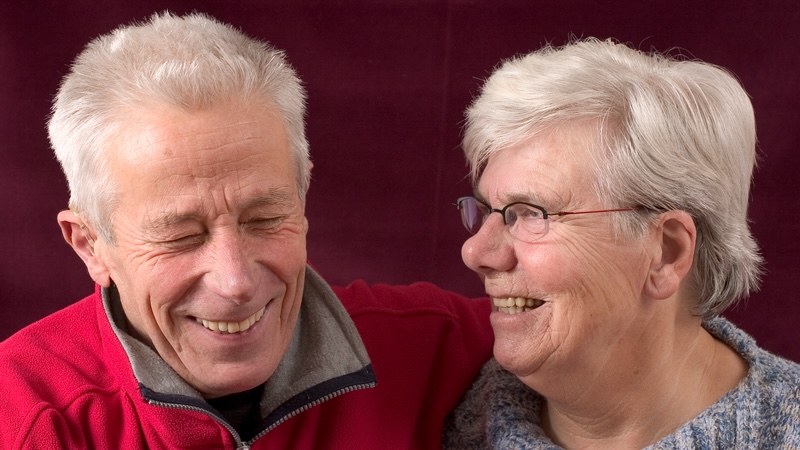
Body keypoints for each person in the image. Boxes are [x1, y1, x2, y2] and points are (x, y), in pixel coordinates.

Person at [0, 12, 494, 449]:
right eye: (181, 237)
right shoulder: (23, 410)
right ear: (91, 246)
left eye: (263, 219)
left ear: (301, 201)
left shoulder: (433, 344)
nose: (235, 282)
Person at [442, 38, 800, 449]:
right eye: (487, 209)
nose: (475, 252)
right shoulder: (427, 423)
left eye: (530, 213)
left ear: (667, 253)